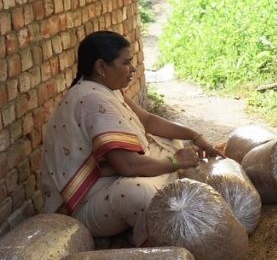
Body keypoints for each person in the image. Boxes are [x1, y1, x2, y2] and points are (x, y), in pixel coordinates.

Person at [40, 31, 222, 246]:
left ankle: (170, 204)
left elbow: (147, 120)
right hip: (82, 204)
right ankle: (162, 249)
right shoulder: (92, 100)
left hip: (108, 180)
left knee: (170, 141)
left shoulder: (106, 89)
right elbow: (126, 165)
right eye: (126, 62)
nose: (133, 68)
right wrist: (175, 163)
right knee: (138, 194)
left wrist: (194, 136)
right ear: (101, 68)